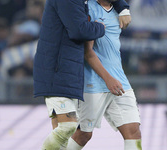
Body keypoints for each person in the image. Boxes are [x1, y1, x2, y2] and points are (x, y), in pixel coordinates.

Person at [33, 0, 131, 149]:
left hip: (68, 70)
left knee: (63, 138)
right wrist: (99, 27)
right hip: (56, 69)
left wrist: (123, 8)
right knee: (68, 127)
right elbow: (78, 30)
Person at [66, 0, 142, 149]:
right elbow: (87, 53)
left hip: (120, 81)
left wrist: (124, 9)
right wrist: (108, 79)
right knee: (84, 134)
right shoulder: (88, 9)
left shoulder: (118, 9)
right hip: (94, 82)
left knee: (133, 132)